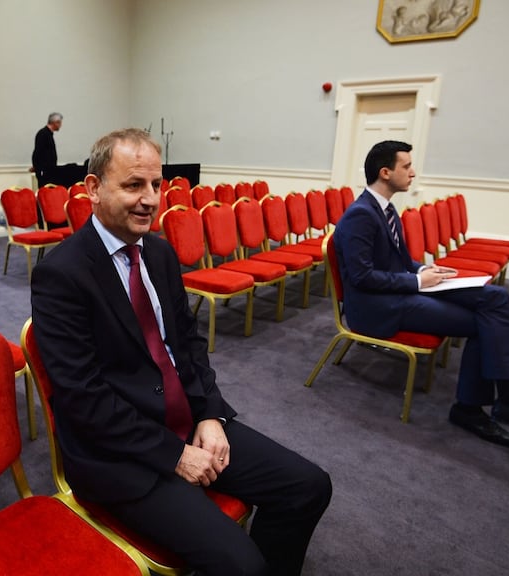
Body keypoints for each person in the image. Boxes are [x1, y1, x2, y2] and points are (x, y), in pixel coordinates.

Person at [31, 128, 331, 576]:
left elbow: (187, 345)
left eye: (156, 184)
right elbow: (83, 399)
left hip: (185, 419)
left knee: (308, 486)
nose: (150, 199)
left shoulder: (160, 254)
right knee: (241, 564)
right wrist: (172, 454)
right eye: (133, 185)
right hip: (119, 453)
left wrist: (210, 414)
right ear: (93, 189)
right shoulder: (61, 273)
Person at [333, 140, 509, 448]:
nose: (413, 172)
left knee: (495, 299)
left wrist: (425, 271)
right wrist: (419, 283)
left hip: (399, 290)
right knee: (480, 324)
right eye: (406, 166)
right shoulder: (361, 215)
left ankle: (506, 402)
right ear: (385, 172)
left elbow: (402, 262)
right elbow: (362, 277)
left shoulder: (385, 208)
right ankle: (481, 407)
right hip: (378, 307)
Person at [31, 112, 62, 187]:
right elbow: (37, 152)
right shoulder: (43, 134)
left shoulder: (48, 134)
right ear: (55, 122)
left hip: (49, 171)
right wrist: (38, 167)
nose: (60, 125)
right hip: (45, 172)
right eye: (59, 123)